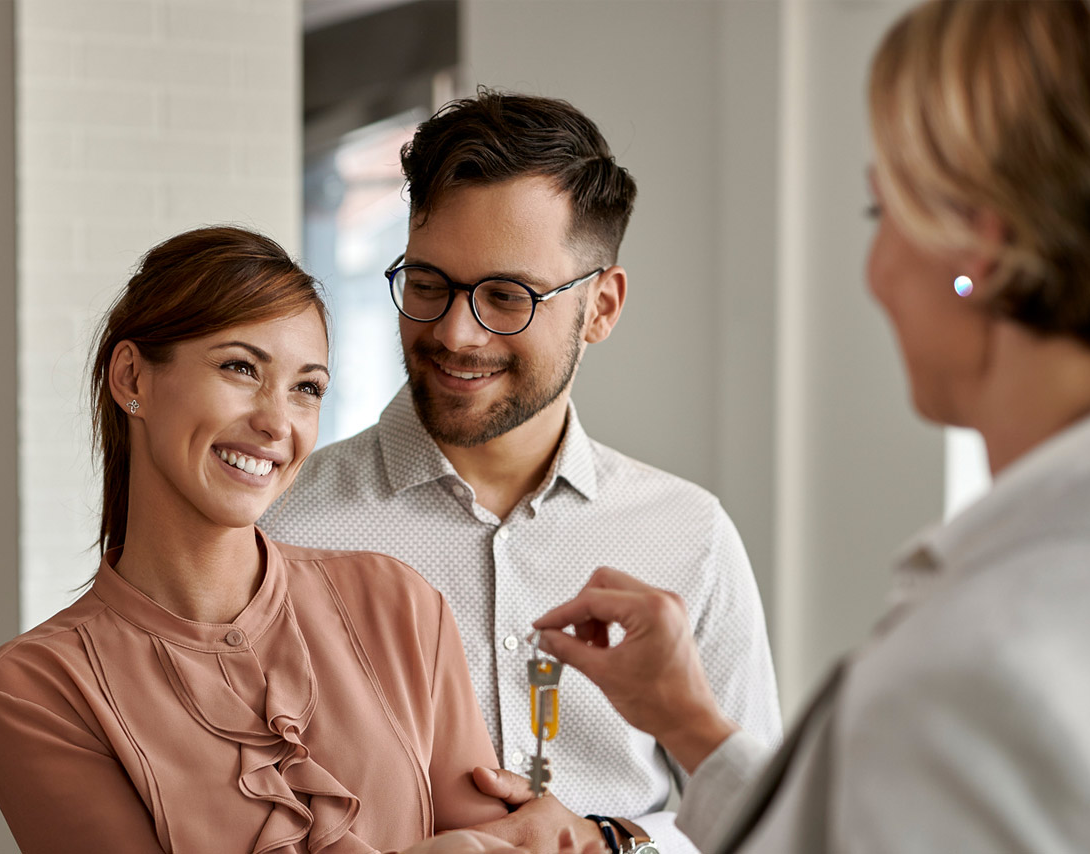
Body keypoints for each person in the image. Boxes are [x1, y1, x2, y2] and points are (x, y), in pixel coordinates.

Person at [531, 1, 1090, 851]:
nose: (875, 272)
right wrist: (690, 725)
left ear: (981, 254)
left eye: (879, 212)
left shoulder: (977, 679)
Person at [259, 91, 782, 853]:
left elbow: (759, 819)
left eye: (507, 296)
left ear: (601, 307)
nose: (454, 332)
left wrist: (607, 840)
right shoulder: (284, 527)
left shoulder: (688, 537)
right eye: (429, 284)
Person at [0, 226, 522, 854]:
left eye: (306, 388)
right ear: (132, 378)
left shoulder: (399, 603)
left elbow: (496, 840)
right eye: (240, 368)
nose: (276, 422)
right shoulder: (38, 691)